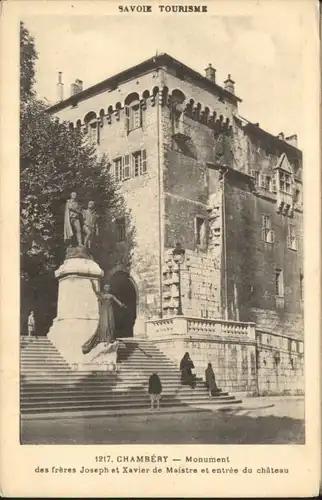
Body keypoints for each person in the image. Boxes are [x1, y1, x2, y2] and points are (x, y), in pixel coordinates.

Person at [82, 281, 126, 355]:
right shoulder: (101, 294)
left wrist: (122, 305)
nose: (107, 288)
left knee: (109, 324)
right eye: (106, 287)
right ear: (104, 288)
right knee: (103, 324)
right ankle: (103, 338)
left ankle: (108, 338)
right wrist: (92, 284)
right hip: (103, 311)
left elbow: (117, 301)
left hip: (109, 310)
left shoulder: (111, 296)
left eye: (108, 287)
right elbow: (95, 291)